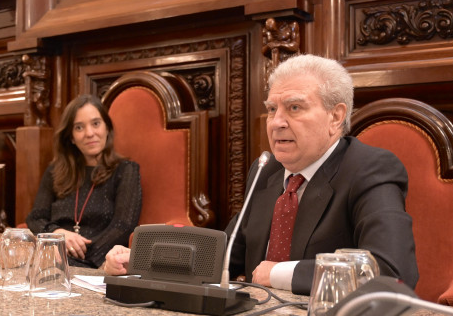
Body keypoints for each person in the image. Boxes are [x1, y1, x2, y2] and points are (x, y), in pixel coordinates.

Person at [104, 54, 419, 295]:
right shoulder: (267, 170)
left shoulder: (369, 168)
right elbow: (224, 255)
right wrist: (142, 261)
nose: (276, 122)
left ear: (335, 117)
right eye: (272, 109)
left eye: (294, 108)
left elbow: (391, 270)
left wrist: (282, 273)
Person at [26, 94, 142, 269]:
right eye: (79, 127)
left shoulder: (126, 170)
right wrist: (57, 235)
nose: (89, 133)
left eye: (96, 124)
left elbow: (123, 226)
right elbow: (35, 218)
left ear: (107, 128)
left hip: (98, 263)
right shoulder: (55, 170)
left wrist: (79, 257)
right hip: (52, 258)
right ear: (71, 137)